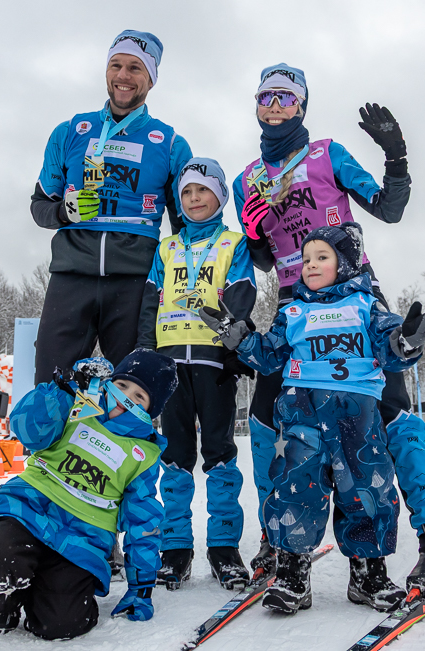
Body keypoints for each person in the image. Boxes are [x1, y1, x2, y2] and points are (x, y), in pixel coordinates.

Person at [233, 64, 425, 586]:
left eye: (286, 97)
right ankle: (278, 539)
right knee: (267, 418)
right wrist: (252, 230)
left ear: (302, 106)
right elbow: (264, 256)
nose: (275, 105)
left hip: (355, 297)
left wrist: (395, 156)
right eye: (266, 96)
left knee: (394, 416)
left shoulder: (326, 153)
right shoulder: (248, 178)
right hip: (293, 303)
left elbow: (388, 209)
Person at [201, 223, 425, 614]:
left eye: (321, 257)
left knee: (367, 487)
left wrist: (407, 340)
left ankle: (369, 574)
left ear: (345, 263)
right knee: (295, 487)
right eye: (306, 259)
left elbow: (390, 349)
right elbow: (269, 356)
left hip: (356, 416)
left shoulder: (365, 306)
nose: (309, 265)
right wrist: (240, 337)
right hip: (300, 416)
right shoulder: (293, 310)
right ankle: (294, 575)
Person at [0, 350, 178, 638]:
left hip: (82, 539)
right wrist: (63, 390)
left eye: (139, 397)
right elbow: (27, 429)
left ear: (150, 411)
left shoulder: (145, 454)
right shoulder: (80, 403)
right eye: (123, 385)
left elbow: (142, 520)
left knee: (63, 623)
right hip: (28, 509)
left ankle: (41, 591)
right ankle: (5, 603)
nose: (125, 398)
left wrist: (141, 587)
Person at [29, 30, 192, 385]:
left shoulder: (170, 143)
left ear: (150, 78)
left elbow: (186, 227)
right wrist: (63, 213)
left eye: (135, 68)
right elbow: (39, 205)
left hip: (134, 280)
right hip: (71, 276)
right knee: (49, 387)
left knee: (135, 393)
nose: (123, 76)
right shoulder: (71, 131)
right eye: (116, 65)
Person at [135, 158, 256, 589]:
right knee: (175, 455)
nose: (194, 199)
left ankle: (223, 548)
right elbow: (150, 300)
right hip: (169, 364)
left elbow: (242, 295)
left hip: (213, 362)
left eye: (203, 190)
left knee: (220, 452)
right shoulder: (166, 249)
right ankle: (175, 547)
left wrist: (232, 344)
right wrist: (146, 354)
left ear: (219, 195)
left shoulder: (231, 243)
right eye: (186, 193)